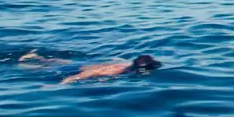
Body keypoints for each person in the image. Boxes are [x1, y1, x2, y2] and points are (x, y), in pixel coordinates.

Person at [20, 51, 162, 84]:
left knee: (64, 62)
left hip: (85, 66)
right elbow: (82, 76)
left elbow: (118, 59)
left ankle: (36, 57)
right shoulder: (118, 70)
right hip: (80, 70)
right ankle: (30, 63)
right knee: (45, 69)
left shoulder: (127, 64)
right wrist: (62, 83)